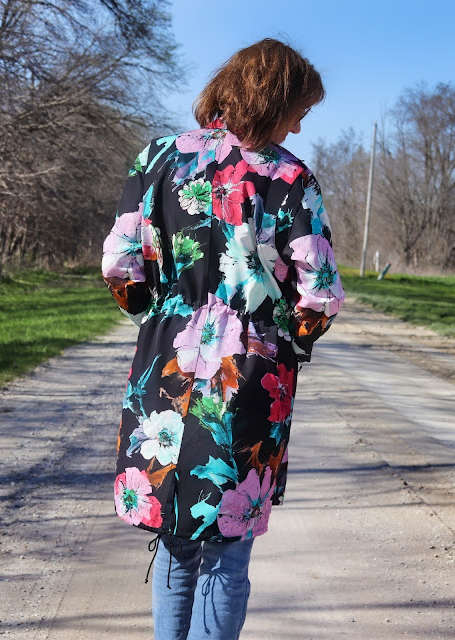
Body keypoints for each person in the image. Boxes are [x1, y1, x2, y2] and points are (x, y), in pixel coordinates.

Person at [101, 38, 345, 640]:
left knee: (176, 538)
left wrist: (160, 319)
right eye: (299, 111)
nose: (299, 125)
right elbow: (320, 293)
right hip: (250, 375)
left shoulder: (158, 158)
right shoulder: (289, 178)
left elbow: (119, 262)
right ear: (273, 100)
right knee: (227, 547)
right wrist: (286, 343)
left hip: (165, 363)